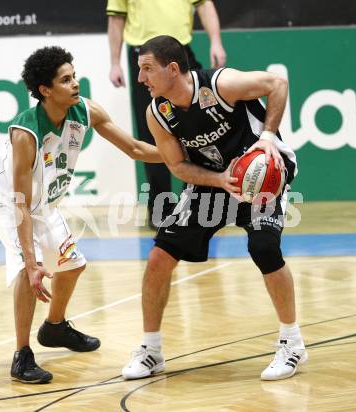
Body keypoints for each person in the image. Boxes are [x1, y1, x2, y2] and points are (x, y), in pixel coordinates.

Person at [121, 35, 307, 381]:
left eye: (147, 70)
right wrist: (220, 179)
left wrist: (267, 137)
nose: (140, 79)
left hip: (260, 176)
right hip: (213, 181)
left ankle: (292, 343)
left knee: (264, 247)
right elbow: (176, 166)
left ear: (172, 69)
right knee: (159, 257)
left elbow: (277, 83)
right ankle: (151, 350)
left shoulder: (220, 85)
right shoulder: (158, 113)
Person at [0, 46, 161, 384]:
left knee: (72, 265)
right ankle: (21, 355)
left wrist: (181, 157)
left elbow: (134, 148)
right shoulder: (26, 133)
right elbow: (20, 203)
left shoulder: (85, 112)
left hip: (40, 201)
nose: (75, 84)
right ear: (46, 91)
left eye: (74, 76)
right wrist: (31, 262)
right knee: (27, 272)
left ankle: (55, 327)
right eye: (65, 80)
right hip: (5, 200)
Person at [107, 0, 226, 229]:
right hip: (143, 56)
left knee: (199, 127)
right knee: (152, 133)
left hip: (179, 53)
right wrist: (114, 62)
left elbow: (204, 5)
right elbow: (116, 17)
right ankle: (160, 208)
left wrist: (216, 42)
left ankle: (196, 203)